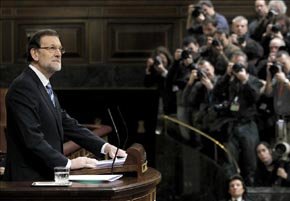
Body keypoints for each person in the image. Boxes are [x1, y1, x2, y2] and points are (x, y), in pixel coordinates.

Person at [3, 29, 127, 181]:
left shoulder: (42, 85)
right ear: (35, 54)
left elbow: (68, 124)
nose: (58, 53)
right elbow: (32, 139)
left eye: (60, 49)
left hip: (45, 177)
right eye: (51, 48)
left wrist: (105, 147)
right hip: (27, 182)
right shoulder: (23, 87)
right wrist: (67, 163)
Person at [212, 51, 264, 185]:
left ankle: (251, 188)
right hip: (231, 125)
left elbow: (255, 98)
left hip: (248, 125)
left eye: (240, 63)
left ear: (246, 64)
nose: (238, 66)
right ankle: (233, 188)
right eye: (235, 63)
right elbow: (215, 93)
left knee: (250, 159)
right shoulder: (228, 80)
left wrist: (244, 81)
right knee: (230, 160)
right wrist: (226, 76)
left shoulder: (253, 80)